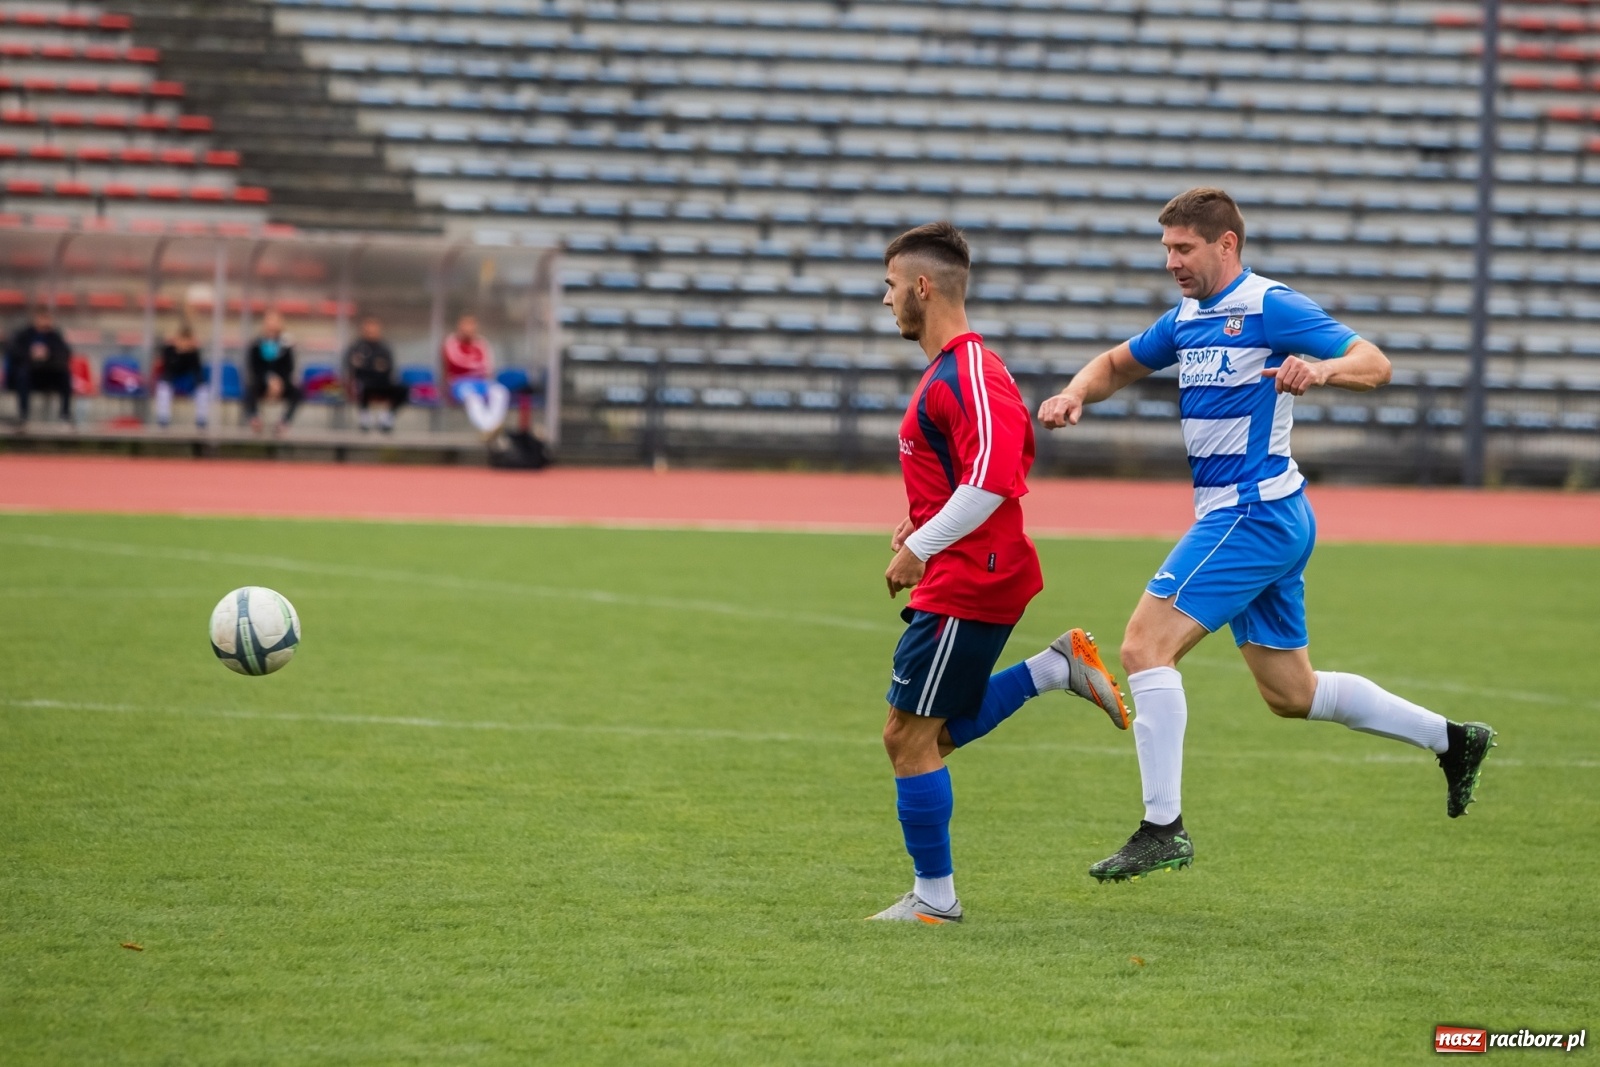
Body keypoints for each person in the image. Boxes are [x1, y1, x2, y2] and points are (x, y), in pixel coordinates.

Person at [1036, 187, 1496, 883]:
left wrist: (1323, 368)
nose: (1171, 262)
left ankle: (1162, 828)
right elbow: (1115, 364)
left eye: (1184, 248)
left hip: (1251, 513)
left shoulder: (1269, 305)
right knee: (1292, 693)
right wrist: (1076, 391)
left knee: (1142, 646)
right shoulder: (1186, 317)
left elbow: (1375, 361)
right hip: (1264, 515)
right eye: (1166, 249)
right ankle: (1452, 740)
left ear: (1227, 244)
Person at [868, 221, 1132, 925]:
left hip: (971, 576)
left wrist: (922, 544)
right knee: (927, 736)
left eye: (891, 285)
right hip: (965, 569)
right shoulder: (952, 372)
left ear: (924, 287)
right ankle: (1055, 667)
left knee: (907, 738)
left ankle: (935, 900)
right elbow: (965, 473)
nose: (886, 298)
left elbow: (990, 481)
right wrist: (919, 521)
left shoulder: (970, 371)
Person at [442, 313, 508, 440]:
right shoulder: (451, 342)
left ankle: (490, 429)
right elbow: (457, 364)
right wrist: (474, 366)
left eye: (471, 325)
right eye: (466, 325)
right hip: (459, 383)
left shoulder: (481, 343)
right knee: (473, 398)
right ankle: (489, 428)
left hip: (481, 382)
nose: (469, 329)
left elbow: (488, 367)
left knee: (500, 392)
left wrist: (475, 368)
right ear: (460, 326)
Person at [5, 303, 72, 424]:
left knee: (65, 375)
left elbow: (64, 354)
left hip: (49, 374)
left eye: (47, 318)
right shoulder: (24, 335)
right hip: (30, 374)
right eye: (41, 317)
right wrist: (31, 354)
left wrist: (48, 355)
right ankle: (23, 414)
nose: (44, 321)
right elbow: (14, 353)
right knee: (22, 375)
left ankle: (65, 414)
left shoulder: (55, 336)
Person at [344, 315, 407, 432]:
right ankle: (365, 417)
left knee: (403, 389)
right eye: (368, 330)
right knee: (361, 386)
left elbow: (388, 367)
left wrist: (369, 365)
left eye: (374, 330)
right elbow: (352, 365)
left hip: (381, 382)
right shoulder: (356, 347)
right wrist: (374, 366)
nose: (371, 333)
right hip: (364, 381)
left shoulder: (384, 348)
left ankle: (387, 417)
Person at [244, 310, 301, 435]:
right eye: (269, 320)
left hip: (281, 383)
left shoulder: (286, 344)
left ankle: (284, 422)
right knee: (249, 388)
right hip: (262, 381)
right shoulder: (257, 344)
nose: (272, 324)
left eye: (275, 321)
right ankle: (255, 418)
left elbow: (289, 367)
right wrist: (269, 380)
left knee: (298, 391)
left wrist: (278, 382)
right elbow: (254, 367)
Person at [153, 321, 208, 429]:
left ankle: (201, 420)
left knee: (203, 389)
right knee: (163, 387)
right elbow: (169, 368)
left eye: (187, 340)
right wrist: (178, 353)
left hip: (187, 381)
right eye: (183, 339)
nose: (185, 343)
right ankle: (163, 419)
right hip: (172, 380)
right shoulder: (169, 350)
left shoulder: (193, 353)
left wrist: (188, 353)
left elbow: (197, 370)